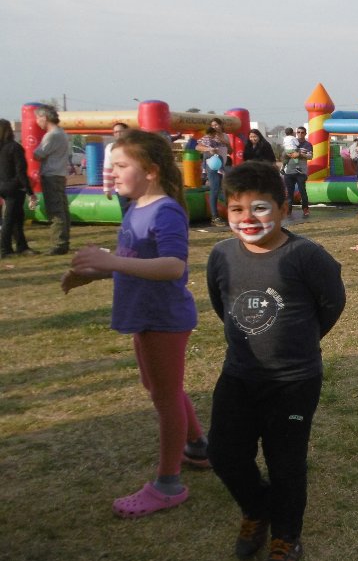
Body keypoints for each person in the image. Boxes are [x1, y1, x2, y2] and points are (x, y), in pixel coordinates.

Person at [204, 161, 345, 561]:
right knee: (224, 453)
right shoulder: (222, 255)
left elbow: (331, 303)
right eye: (236, 210)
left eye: (259, 208)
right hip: (239, 374)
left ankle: (286, 536)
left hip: (294, 382)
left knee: (286, 464)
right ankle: (257, 509)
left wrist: (303, 340)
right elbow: (220, 302)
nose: (247, 219)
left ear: (284, 208)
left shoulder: (306, 256)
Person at [60, 130, 208, 518]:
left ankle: (168, 484)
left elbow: (174, 266)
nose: (112, 174)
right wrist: (94, 273)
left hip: (164, 318)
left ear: (152, 170)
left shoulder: (165, 210)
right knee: (161, 388)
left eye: (121, 166)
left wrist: (111, 262)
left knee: (165, 396)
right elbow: (134, 262)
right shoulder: (135, 208)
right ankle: (198, 446)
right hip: (144, 314)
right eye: (111, 167)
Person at [32, 104, 71, 254]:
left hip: (51, 175)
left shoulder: (51, 135)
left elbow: (38, 154)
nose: (37, 121)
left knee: (55, 210)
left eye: (38, 118)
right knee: (62, 209)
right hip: (60, 174)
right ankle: (64, 241)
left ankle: (58, 244)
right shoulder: (61, 133)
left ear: (44, 117)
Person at [0, 118, 38, 257]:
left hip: (3, 186)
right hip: (14, 187)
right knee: (10, 219)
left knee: (16, 217)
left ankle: (22, 246)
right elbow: (21, 171)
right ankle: (5, 249)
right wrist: (30, 191)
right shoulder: (14, 148)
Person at [196, 118, 231, 227]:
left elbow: (230, 151)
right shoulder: (209, 136)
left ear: (221, 125)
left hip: (222, 165)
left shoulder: (225, 136)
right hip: (213, 164)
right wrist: (209, 149)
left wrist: (226, 143)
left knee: (224, 188)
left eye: (216, 124)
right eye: (213, 125)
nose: (215, 126)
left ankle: (228, 212)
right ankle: (214, 217)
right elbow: (198, 146)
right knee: (215, 188)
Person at [280, 126, 313, 219]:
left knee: (302, 190)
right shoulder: (289, 142)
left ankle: (305, 209)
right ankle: (288, 210)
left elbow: (310, 156)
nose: (300, 134)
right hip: (289, 171)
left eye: (302, 132)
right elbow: (283, 155)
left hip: (301, 172)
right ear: (295, 133)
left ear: (305, 134)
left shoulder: (307, 144)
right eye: (298, 132)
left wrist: (299, 154)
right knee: (289, 192)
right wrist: (287, 154)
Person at [101, 122, 132, 216]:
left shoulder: (134, 146)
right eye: (115, 132)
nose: (118, 134)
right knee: (125, 212)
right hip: (121, 186)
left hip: (135, 184)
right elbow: (107, 168)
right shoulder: (110, 148)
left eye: (120, 131)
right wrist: (107, 188)